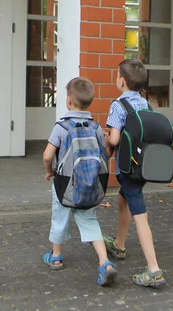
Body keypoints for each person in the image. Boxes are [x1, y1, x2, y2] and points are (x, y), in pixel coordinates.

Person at [42, 77, 117, 286]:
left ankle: (56, 256)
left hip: (64, 184)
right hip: (89, 184)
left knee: (60, 217)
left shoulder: (62, 127)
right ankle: (105, 262)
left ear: (68, 101)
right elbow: (105, 154)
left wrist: (50, 171)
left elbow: (48, 155)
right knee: (89, 220)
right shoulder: (95, 127)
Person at [103, 59, 167, 288]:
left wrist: (106, 137)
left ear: (121, 80)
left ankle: (153, 269)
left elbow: (116, 139)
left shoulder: (119, 105)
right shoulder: (145, 104)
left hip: (127, 170)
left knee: (140, 215)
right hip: (142, 167)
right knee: (123, 200)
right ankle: (119, 245)